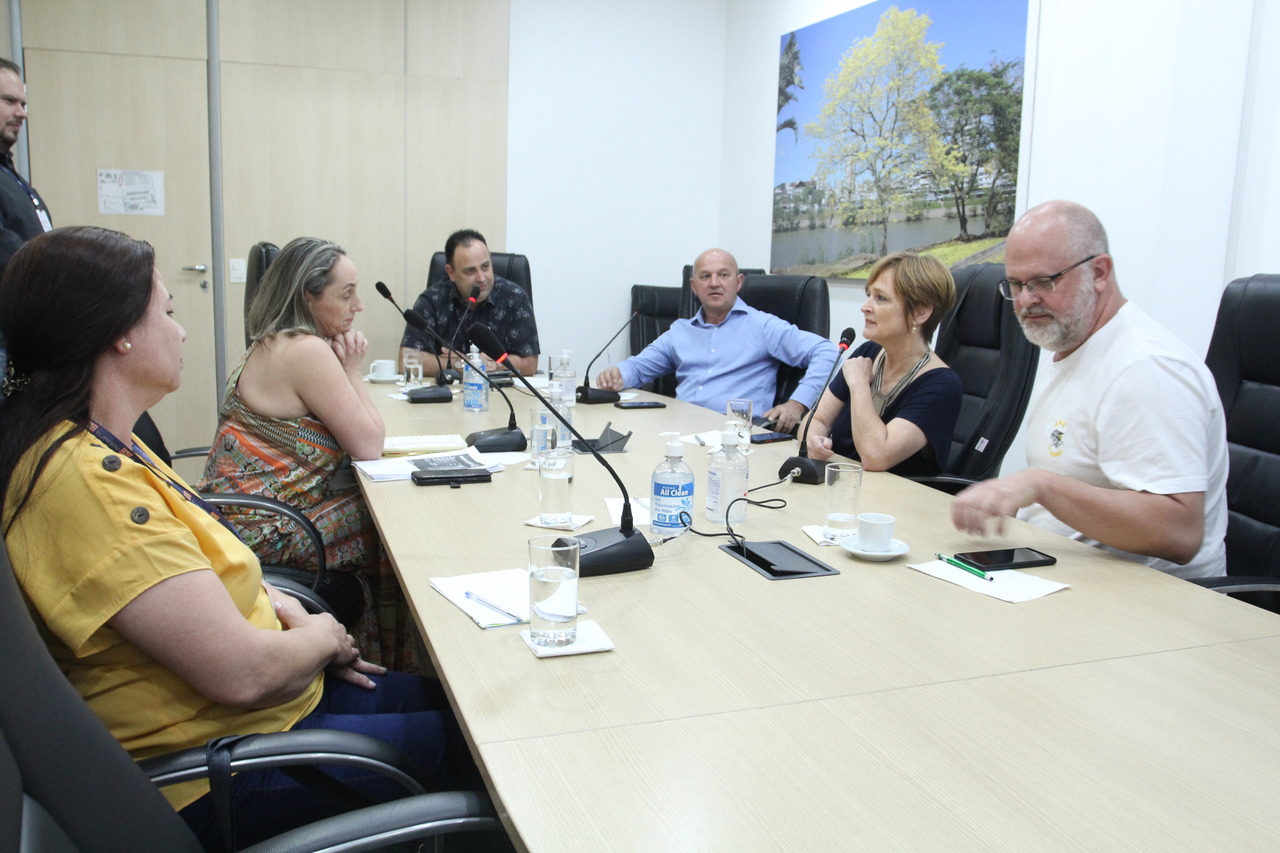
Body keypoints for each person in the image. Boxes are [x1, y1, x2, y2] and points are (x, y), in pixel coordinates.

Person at [0, 226, 479, 850]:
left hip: (271, 714)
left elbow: (187, 580)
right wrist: (318, 635)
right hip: (228, 765)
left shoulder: (102, 438)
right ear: (119, 333)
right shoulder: (87, 485)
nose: (182, 331)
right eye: (167, 313)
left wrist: (283, 610)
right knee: (491, 749)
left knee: (463, 709)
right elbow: (244, 675)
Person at [950, 200, 1228, 579]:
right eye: (1016, 285)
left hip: (1151, 603)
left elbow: (1179, 533)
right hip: (1057, 570)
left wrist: (1040, 486)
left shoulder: (1145, 369)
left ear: (1099, 272)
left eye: (1044, 281)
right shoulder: (1065, 342)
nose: (1028, 299)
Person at [198, 237, 419, 672]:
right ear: (308, 296)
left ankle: (379, 653)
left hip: (235, 519)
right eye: (346, 293)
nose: (358, 306)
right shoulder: (307, 351)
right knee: (394, 520)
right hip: (269, 531)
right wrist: (352, 371)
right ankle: (396, 663)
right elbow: (370, 446)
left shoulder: (269, 342)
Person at [595, 248, 838, 432]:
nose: (714, 283)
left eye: (723, 275)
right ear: (693, 286)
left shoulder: (761, 326)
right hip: (681, 431)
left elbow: (827, 351)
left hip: (735, 437)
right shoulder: (680, 331)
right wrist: (618, 373)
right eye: (705, 276)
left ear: (738, 282)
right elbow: (638, 367)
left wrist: (797, 404)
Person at [804, 251, 961, 476]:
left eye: (881, 298)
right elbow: (815, 419)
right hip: (843, 488)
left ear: (920, 312)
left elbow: (875, 456)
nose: (865, 307)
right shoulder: (868, 352)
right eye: (869, 295)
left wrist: (858, 384)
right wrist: (813, 441)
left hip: (894, 504)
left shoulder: (942, 385)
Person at [399, 228, 540, 376]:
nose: (481, 278)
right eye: (470, 271)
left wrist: (496, 365)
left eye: (485, 267)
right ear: (451, 272)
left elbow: (530, 364)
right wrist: (459, 363)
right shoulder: (432, 300)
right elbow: (406, 360)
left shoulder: (514, 297)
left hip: (501, 393)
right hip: (449, 394)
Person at [0, 57, 52, 378]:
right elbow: (10, 255)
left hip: (21, 337)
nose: (22, 112)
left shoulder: (9, 173)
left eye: (23, 102)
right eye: (9, 101)